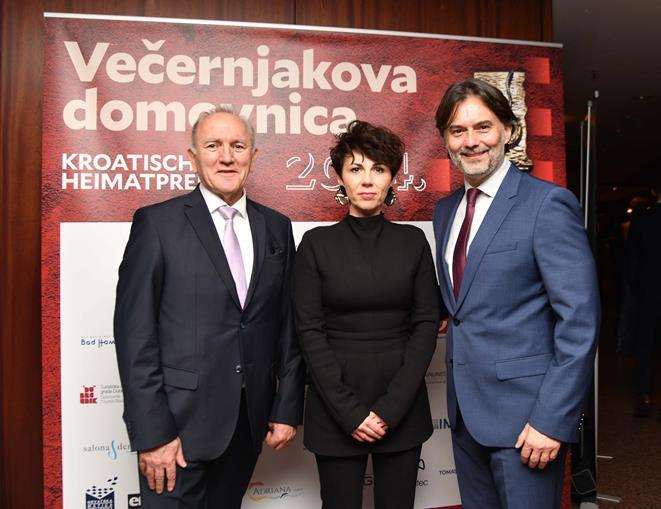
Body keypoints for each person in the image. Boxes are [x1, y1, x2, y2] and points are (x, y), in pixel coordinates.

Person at [114, 105, 305, 508]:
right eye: (213, 145)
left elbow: (288, 324)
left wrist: (287, 407)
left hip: (247, 425)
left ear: (253, 156)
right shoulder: (157, 224)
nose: (226, 157)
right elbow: (135, 336)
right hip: (175, 431)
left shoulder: (276, 226)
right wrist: (153, 434)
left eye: (238, 146)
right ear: (193, 156)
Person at [432, 79, 600, 508]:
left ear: (508, 130)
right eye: (457, 130)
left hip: (529, 423)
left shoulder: (547, 204)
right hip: (465, 416)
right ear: (445, 140)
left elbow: (579, 321)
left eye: (483, 127)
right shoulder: (446, 211)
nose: (470, 141)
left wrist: (552, 419)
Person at [294, 120, 441, 509]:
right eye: (356, 168)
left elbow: (426, 325)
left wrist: (390, 409)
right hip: (335, 409)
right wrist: (350, 413)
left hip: (402, 407)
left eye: (378, 169)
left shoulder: (413, 242)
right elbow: (309, 332)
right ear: (340, 177)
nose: (367, 179)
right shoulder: (315, 244)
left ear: (392, 178)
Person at [626, 178, 661, 417]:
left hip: (649, 291)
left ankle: (644, 396)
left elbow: (631, 260)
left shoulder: (644, 219)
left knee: (645, 346)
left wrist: (635, 290)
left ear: (653, 191)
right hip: (647, 290)